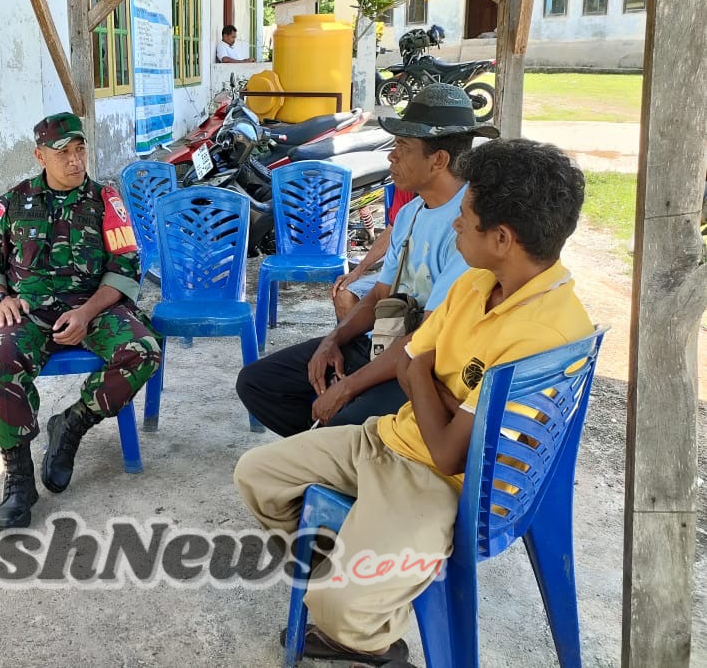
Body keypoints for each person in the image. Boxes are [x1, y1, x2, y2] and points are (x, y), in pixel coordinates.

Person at [234, 138, 594, 664]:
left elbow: (449, 451)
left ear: (501, 237)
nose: (454, 226)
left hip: (439, 484)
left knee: (336, 609)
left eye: (465, 220)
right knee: (257, 475)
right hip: (388, 439)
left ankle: (369, 625)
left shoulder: (545, 332)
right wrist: (429, 384)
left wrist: (422, 377)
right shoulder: (476, 282)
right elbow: (407, 359)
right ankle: (360, 571)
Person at [236, 84, 498, 436]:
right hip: (385, 343)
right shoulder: (411, 213)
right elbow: (378, 296)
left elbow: (426, 339)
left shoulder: (469, 224)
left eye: (403, 148)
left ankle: (333, 452)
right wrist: (334, 340)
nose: (391, 156)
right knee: (258, 383)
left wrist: (349, 386)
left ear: (439, 160)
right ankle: (328, 457)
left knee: (340, 419)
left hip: (424, 367)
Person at [0, 112, 162, 530]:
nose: (75, 161)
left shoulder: (106, 202)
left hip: (94, 307)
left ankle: (73, 423)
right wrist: (0, 297)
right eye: (64, 154)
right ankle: (19, 476)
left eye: (80, 151)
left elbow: (125, 266)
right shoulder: (15, 202)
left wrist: (87, 312)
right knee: (1, 358)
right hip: (30, 311)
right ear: (41, 155)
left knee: (144, 350)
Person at [331, 188, 416, 321]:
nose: (392, 171)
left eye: (397, 164)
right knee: (343, 293)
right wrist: (357, 271)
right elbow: (391, 231)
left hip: (424, 279)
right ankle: (353, 341)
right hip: (400, 271)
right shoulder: (406, 192)